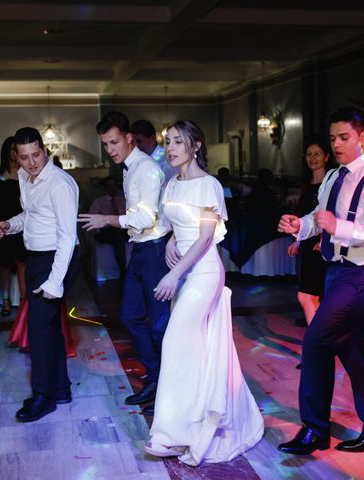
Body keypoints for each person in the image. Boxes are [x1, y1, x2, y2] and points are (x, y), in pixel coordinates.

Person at [277, 107, 364, 455]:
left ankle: (315, 430)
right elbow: (320, 218)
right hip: (336, 271)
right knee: (352, 350)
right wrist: (300, 226)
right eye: (333, 138)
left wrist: (340, 228)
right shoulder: (333, 177)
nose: (336, 144)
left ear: (363, 137)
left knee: (317, 341)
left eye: (344, 137)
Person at [144, 120, 263, 465]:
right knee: (192, 349)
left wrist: (174, 274)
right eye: (167, 142)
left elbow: (207, 236)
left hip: (203, 272)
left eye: (178, 142)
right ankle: (189, 423)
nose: (170, 148)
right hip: (183, 273)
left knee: (174, 341)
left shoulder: (209, 185)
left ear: (196, 146)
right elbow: (175, 224)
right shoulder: (171, 185)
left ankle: (171, 435)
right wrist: (169, 241)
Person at [79, 111, 170, 412]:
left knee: (158, 325)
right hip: (141, 251)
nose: (110, 150)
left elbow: (146, 218)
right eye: (105, 144)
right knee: (131, 315)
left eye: (114, 142)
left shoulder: (146, 169)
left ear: (129, 138)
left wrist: (106, 219)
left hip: (155, 251)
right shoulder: (128, 168)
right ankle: (157, 376)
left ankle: (167, 385)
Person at [0, 127, 80, 422]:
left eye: (36, 155)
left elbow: (68, 236)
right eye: (24, 157)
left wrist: (55, 282)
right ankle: (60, 389)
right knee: (49, 328)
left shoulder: (58, 183)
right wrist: (9, 224)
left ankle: (43, 396)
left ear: (44, 150)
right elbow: (31, 215)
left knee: (40, 331)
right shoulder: (24, 177)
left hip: (57, 258)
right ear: (16, 157)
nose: (31, 163)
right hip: (36, 257)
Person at [287, 135, 330, 330]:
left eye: (317, 154)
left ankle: (318, 339)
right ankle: (319, 335)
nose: (313, 158)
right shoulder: (306, 185)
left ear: (326, 157)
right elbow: (303, 216)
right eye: (309, 154)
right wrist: (296, 241)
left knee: (311, 293)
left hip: (320, 246)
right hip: (306, 243)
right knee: (308, 293)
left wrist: (324, 240)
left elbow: (330, 214)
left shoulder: (330, 184)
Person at [0, 136, 27, 316]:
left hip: (20, 220)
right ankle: (5, 302)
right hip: (2, 219)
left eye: (16, 149)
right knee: (3, 264)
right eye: (11, 149)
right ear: (6, 151)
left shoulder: (25, 171)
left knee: (22, 262)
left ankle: (23, 301)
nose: (14, 153)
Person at [88, 176, 128, 277]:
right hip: (105, 231)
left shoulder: (122, 200)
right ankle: (124, 270)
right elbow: (91, 219)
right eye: (109, 186)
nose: (112, 188)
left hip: (123, 228)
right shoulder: (99, 202)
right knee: (117, 235)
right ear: (105, 188)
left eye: (114, 186)